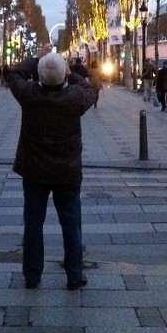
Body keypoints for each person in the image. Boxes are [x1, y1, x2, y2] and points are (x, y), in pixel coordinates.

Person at [7, 52, 98, 290]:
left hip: (34, 170)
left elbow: (14, 74)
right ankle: (75, 275)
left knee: (33, 223)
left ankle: (32, 275)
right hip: (67, 172)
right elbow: (92, 87)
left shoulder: (29, 95)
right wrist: (71, 72)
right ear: (64, 75)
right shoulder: (75, 98)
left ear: (39, 76)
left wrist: (37, 60)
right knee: (70, 223)